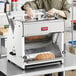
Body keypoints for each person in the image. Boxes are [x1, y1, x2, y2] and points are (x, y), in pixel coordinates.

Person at [21, 0, 70, 76]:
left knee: (60, 62)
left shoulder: (63, 1)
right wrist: (28, 8)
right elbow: (28, 4)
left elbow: (67, 13)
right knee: (47, 64)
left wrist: (56, 11)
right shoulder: (42, 1)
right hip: (47, 35)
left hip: (60, 34)